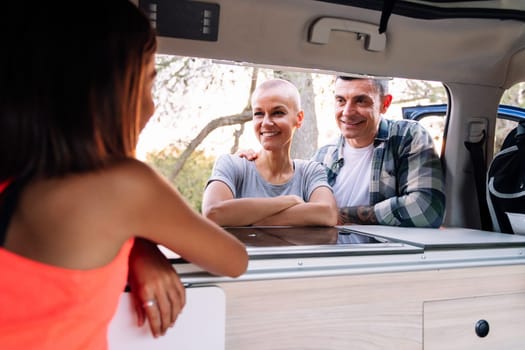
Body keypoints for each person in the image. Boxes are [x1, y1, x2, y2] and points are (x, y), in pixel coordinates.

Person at [0, 1, 248, 349]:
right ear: (106, 89)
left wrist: (138, 248)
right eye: (146, 82)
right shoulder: (125, 188)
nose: (151, 105)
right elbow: (234, 259)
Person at [312, 76, 446, 227]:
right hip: (328, 250)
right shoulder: (323, 155)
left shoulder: (407, 136)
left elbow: (426, 210)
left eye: (360, 101)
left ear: (385, 104)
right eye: (341, 100)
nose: (347, 112)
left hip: (381, 250)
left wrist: (343, 215)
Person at [202, 79, 338, 227]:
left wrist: (253, 220)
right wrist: (290, 201)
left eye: (278, 113)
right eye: (259, 113)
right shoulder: (232, 164)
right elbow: (213, 213)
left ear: (298, 119)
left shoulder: (310, 172)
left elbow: (328, 214)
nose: (266, 122)